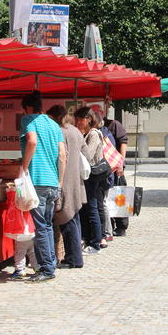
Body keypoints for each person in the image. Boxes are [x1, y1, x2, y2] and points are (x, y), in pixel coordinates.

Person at [20, 91, 66, 283]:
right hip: (52, 181)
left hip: (37, 180)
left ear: (28, 108)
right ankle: (50, 264)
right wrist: (60, 183)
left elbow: (31, 141)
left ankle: (46, 268)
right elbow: (62, 155)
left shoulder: (29, 120)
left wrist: (23, 167)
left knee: (41, 227)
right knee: (46, 225)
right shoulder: (54, 125)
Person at [48, 105, 88, 269]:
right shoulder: (75, 131)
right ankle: (75, 256)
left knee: (67, 219)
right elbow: (86, 153)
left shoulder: (59, 132)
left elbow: (58, 157)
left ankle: (74, 259)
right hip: (76, 181)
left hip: (63, 180)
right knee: (74, 218)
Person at [73, 107, 106, 254]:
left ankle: (96, 243)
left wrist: (79, 142)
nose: (79, 122)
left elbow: (88, 155)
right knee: (86, 208)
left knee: (92, 208)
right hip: (85, 175)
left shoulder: (93, 134)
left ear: (89, 119)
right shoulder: (85, 133)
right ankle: (87, 239)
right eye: (77, 119)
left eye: (82, 119)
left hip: (92, 176)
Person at [102, 112, 129, 238]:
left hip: (116, 167)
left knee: (119, 195)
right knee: (109, 197)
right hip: (107, 168)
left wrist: (121, 164)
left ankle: (121, 226)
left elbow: (123, 142)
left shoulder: (114, 124)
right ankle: (111, 223)